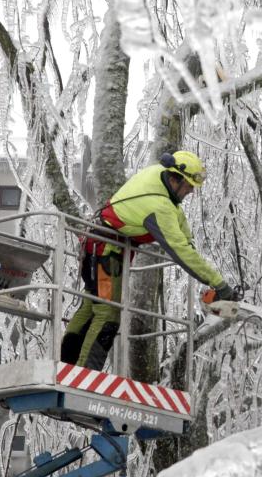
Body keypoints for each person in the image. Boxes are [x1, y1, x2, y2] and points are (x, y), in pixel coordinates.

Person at [61, 150, 241, 371]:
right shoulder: (159, 206)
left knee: (91, 306)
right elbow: (180, 251)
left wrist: (193, 248)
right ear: (175, 179)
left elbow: (180, 222)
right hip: (105, 252)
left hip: (98, 247)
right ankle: (83, 376)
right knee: (107, 315)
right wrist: (218, 284)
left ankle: (65, 368)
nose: (191, 191)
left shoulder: (158, 177)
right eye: (188, 186)